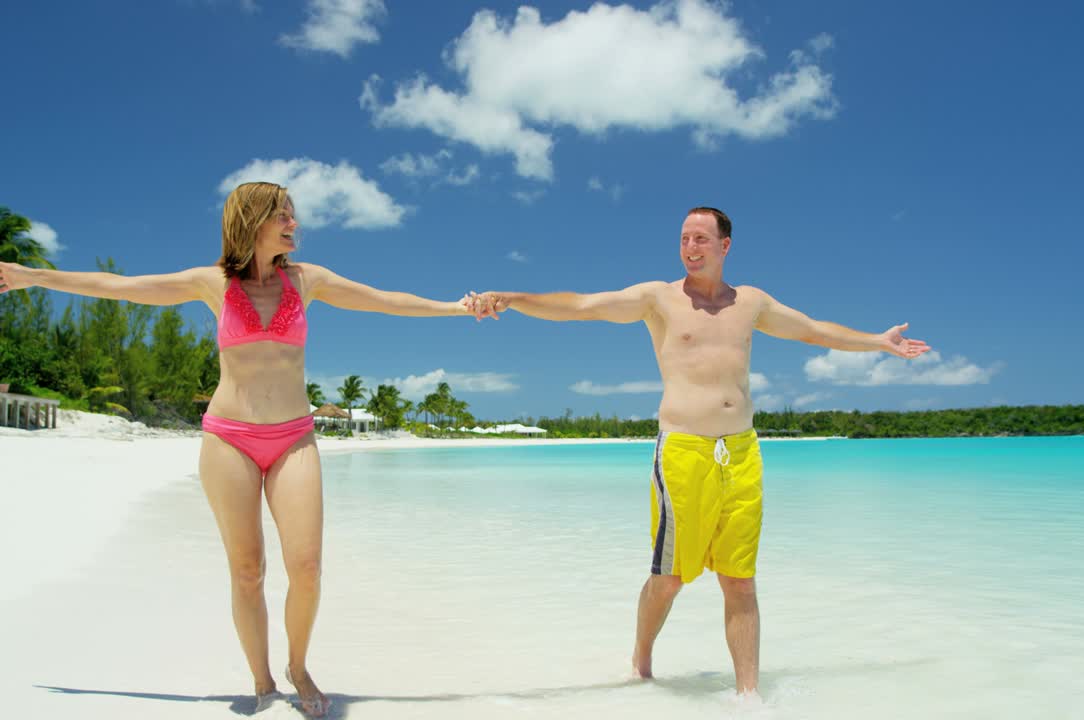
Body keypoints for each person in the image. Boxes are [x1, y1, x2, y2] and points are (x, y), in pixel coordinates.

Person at [0, 181, 481, 716]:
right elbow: (122, 286)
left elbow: (385, 301)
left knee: (307, 568)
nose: (294, 224)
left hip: (293, 437)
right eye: (284, 216)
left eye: (292, 215)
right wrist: (30, 277)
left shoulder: (307, 280)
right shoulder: (212, 282)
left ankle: (299, 667)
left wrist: (454, 308)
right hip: (228, 439)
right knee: (247, 569)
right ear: (253, 221)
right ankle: (261, 679)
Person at [468, 206, 931, 696]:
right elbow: (582, 305)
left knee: (740, 580)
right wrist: (515, 298)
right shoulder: (658, 299)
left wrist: (878, 342)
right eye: (684, 239)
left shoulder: (750, 302)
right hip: (683, 451)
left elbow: (813, 330)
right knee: (669, 579)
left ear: (724, 246)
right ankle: (641, 659)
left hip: (743, 452)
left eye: (701, 239)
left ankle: (748, 697)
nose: (690, 248)